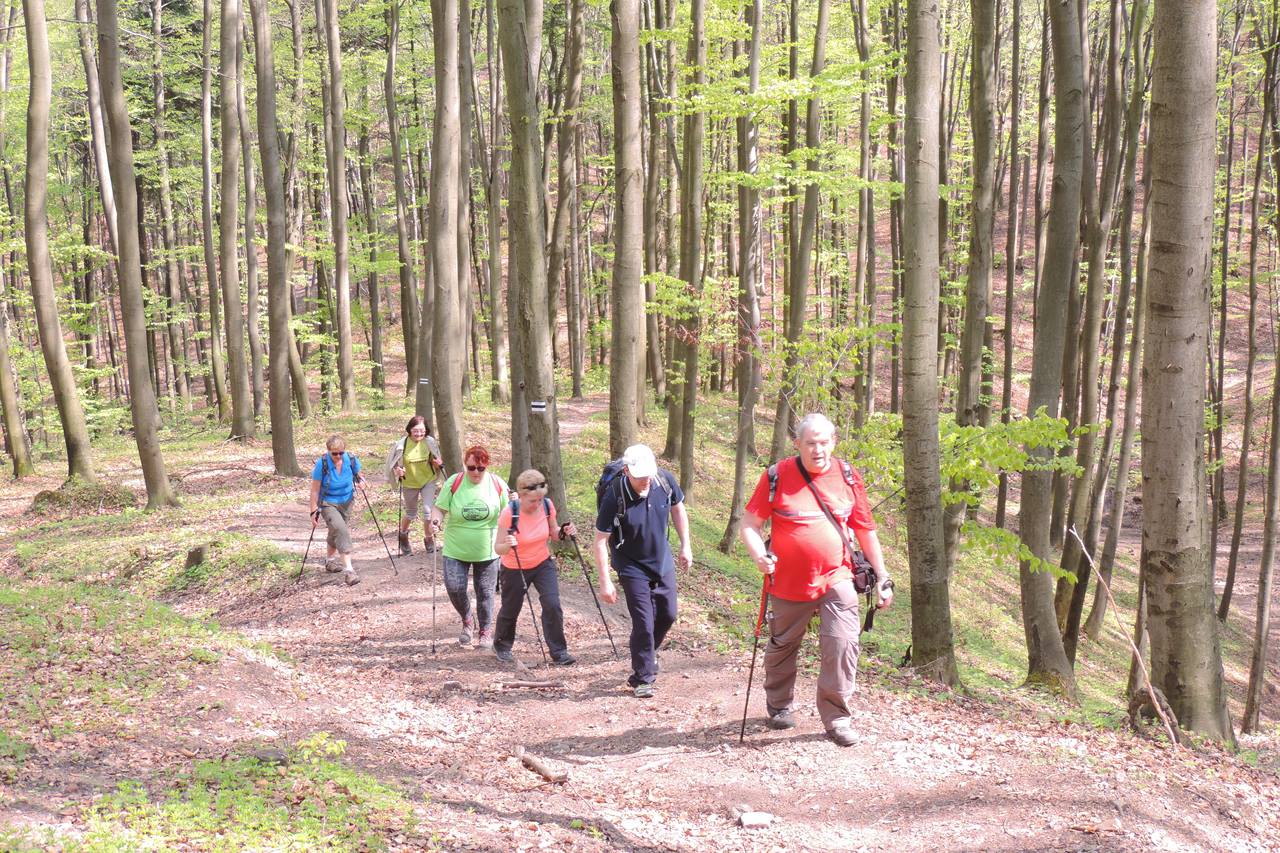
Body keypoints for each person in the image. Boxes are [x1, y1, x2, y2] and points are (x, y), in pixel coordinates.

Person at [738, 413, 894, 747]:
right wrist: (759, 556)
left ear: (834, 442)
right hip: (787, 580)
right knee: (783, 645)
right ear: (798, 444)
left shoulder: (848, 476)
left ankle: (837, 718)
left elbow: (865, 529)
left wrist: (883, 576)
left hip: (837, 576)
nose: (818, 450)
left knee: (842, 643)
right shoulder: (777, 475)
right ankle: (779, 705)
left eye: (824, 442)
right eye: (810, 443)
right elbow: (750, 524)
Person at [593, 444, 693, 698]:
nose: (646, 480)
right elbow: (600, 541)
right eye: (640, 476)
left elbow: (678, 509)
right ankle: (643, 677)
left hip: (661, 558)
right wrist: (605, 581)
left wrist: (685, 545)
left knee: (668, 614)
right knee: (643, 623)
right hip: (630, 564)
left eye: (649, 473)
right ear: (627, 471)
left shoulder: (664, 481)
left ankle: (646, 653)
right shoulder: (614, 495)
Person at [493, 469, 579, 666]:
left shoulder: (547, 505)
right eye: (533, 500)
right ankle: (502, 645)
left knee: (552, 604)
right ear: (521, 496)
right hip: (514, 567)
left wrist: (564, 531)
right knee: (511, 608)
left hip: (542, 562)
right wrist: (508, 544)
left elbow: (553, 532)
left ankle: (559, 651)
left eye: (540, 499)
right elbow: (498, 548)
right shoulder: (509, 513)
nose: (537, 504)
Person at [430, 445, 510, 649]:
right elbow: (439, 508)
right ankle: (467, 619)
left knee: (485, 593)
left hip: (488, 550)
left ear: (487, 467)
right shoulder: (454, 482)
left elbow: (508, 513)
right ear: (465, 465)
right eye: (471, 468)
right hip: (455, 549)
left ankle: (485, 631)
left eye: (480, 468)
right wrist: (435, 522)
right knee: (454, 587)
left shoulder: (497, 484)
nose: (476, 472)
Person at [308, 434, 366, 586]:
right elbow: (315, 490)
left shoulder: (351, 459)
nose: (338, 456)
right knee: (341, 530)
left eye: (341, 452)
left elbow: (359, 475)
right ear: (328, 451)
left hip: (347, 501)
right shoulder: (322, 463)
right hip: (328, 503)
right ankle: (349, 571)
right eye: (335, 453)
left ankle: (330, 561)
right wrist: (313, 511)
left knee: (336, 530)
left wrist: (362, 481)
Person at [386, 416, 444, 556]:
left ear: (426, 430)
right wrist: (398, 471)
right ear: (409, 430)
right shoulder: (401, 445)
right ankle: (403, 535)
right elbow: (393, 464)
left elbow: (436, 460)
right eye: (415, 431)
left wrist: (438, 463)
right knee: (411, 513)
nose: (419, 434)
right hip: (409, 483)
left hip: (427, 480)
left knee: (428, 511)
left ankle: (429, 539)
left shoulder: (430, 442)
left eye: (422, 431)